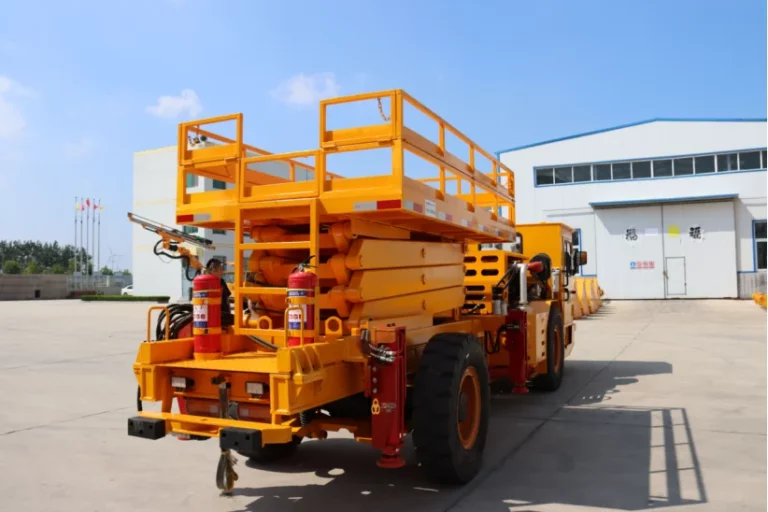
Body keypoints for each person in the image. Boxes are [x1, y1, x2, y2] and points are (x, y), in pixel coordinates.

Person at [205, 258, 234, 327]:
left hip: (224, 314)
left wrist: (229, 313)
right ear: (213, 270)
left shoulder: (221, 282)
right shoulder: (205, 283)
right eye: (220, 270)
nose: (222, 272)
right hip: (215, 316)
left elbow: (227, 300)